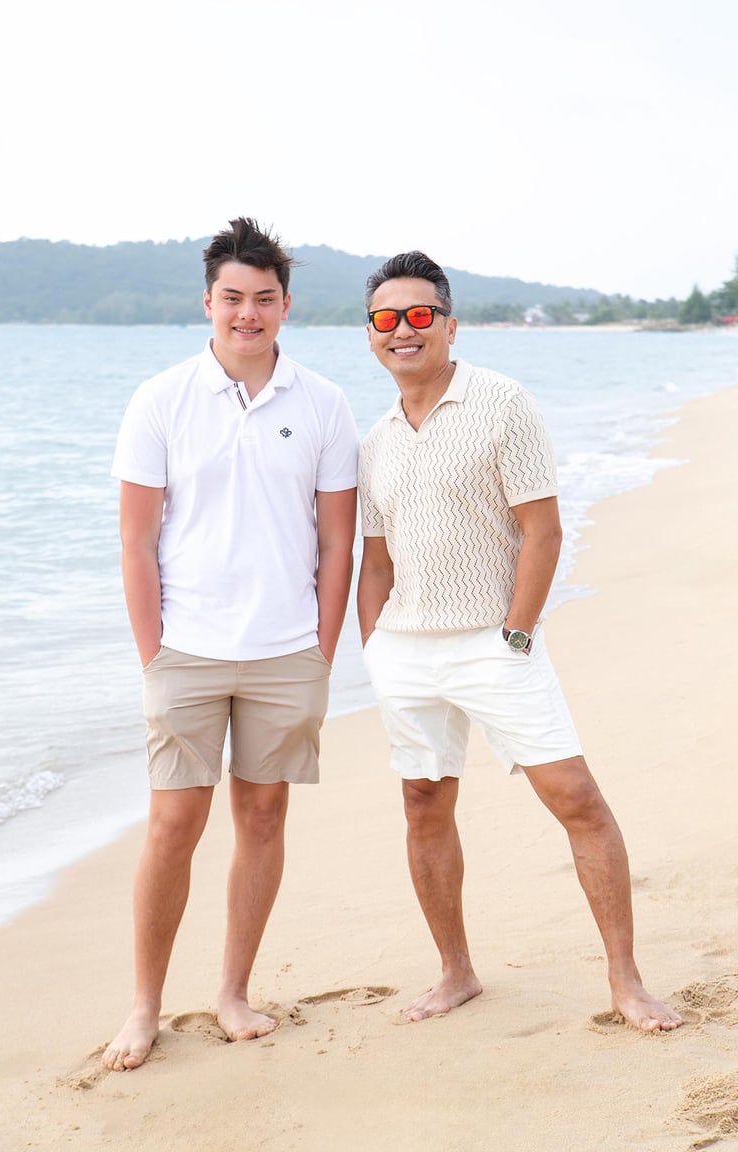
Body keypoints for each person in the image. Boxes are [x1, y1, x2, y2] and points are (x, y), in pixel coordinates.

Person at [356, 250, 683, 1033]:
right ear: (371, 335)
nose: (404, 330)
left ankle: (626, 982)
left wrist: (517, 632)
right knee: (423, 801)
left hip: (493, 642)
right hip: (406, 648)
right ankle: (456, 973)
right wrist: (373, 648)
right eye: (386, 319)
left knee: (575, 798)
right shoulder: (373, 439)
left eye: (420, 314)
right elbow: (375, 558)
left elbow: (543, 530)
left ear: (448, 322)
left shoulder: (502, 401)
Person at [103, 218, 359, 1071]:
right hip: (188, 651)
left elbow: (336, 544)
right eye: (232, 299)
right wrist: (155, 655)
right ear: (208, 302)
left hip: (287, 653)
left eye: (264, 299)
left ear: (286, 305)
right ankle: (144, 1006)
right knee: (173, 824)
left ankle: (232, 992)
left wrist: (321, 653)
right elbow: (137, 542)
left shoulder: (323, 403)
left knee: (263, 816)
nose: (247, 314)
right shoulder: (160, 400)